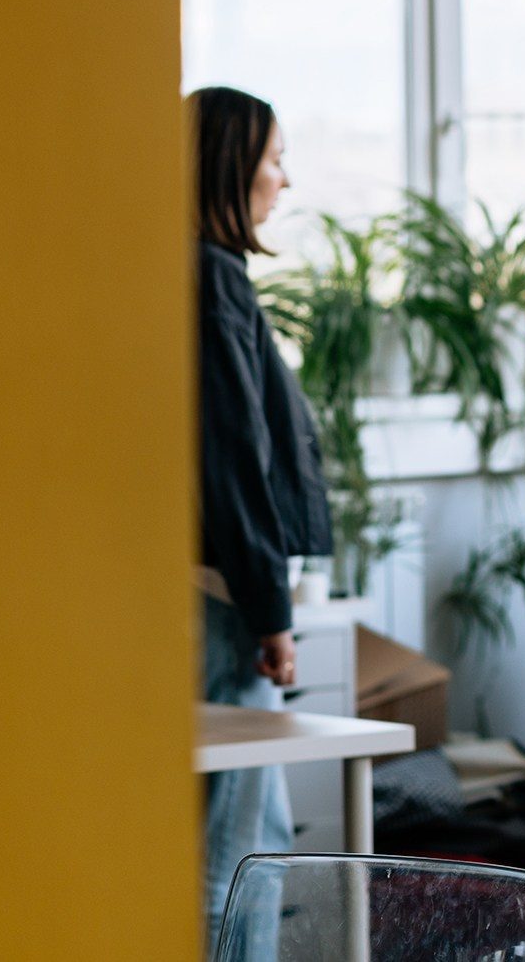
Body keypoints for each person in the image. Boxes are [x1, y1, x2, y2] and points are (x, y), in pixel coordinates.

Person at [190, 87, 332, 946]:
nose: (283, 178)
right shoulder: (210, 276)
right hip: (222, 601)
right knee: (236, 853)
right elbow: (234, 454)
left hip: (217, 592)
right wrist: (270, 612)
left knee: (259, 834)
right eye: (274, 157)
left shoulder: (205, 271)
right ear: (229, 166)